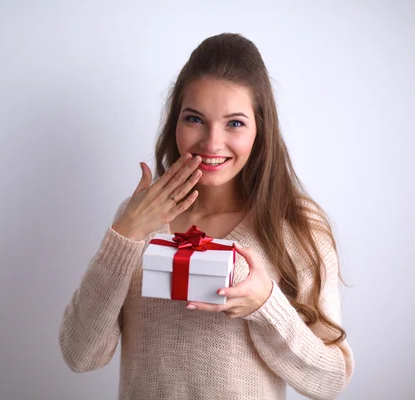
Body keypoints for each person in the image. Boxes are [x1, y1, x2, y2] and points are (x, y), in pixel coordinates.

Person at [58, 33, 354, 400]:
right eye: (195, 119)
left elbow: (330, 381)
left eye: (235, 123)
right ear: (174, 123)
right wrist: (126, 234)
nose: (212, 143)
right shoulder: (136, 218)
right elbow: (81, 355)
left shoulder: (295, 226)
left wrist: (267, 307)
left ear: (260, 130)